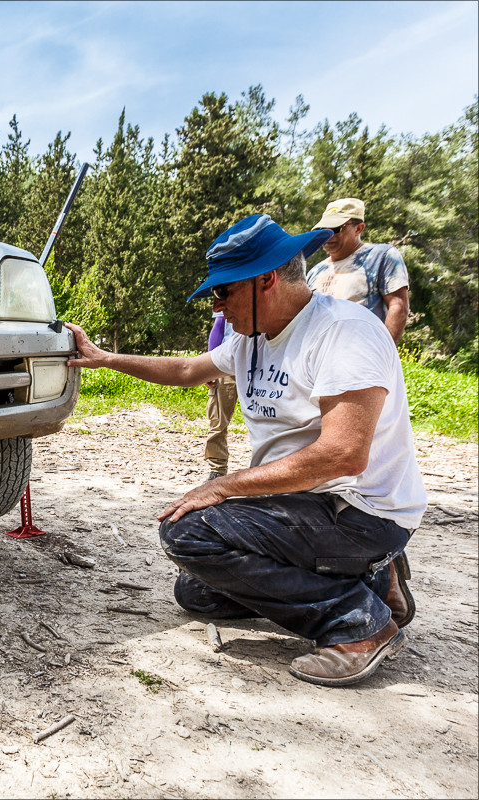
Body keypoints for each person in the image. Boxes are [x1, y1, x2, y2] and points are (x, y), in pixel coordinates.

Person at [66, 213, 426, 687]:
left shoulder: (344, 333)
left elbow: (343, 455)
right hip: (303, 501)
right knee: (198, 593)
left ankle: (358, 624)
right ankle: (373, 579)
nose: (217, 307)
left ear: (267, 279)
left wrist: (223, 487)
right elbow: (186, 371)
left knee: (189, 535)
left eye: (223, 292)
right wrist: (105, 359)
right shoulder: (250, 339)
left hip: (359, 510)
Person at [306, 197, 410, 343]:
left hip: (362, 358)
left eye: (336, 229)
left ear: (359, 228)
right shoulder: (315, 272)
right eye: (323, 230)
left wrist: (383, 354)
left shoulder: (381, 256)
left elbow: (398, 306)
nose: (328, 236)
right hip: (318, 360)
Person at [204, 311, 237, 481]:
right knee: (218, 419)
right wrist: (210, 365)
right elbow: (219, 325)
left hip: (261, 359)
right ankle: (217, 469)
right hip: (226, 362)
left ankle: (269, 468)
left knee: (267, 416)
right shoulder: (226, 290)